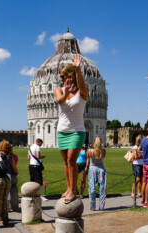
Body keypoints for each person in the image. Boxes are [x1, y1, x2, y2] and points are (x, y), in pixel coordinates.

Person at [55, 54, 89, 203]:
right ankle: (68, 188)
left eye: (63, 76)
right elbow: (59, 101)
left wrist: (78, 70)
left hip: (77, 130)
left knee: (71, 159)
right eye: (61, 77)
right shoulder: (59, 90)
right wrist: (66, 92)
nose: (61, 79)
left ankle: (73, 190)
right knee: (65, 161)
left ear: (70, 76)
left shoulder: (83, 91)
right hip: (62, 130)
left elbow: (81, 87)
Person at [0, 140, 18, 211]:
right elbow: (13, 166)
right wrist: (16, 172)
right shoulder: (10, 155)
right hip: (7, 174)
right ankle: (7, 207)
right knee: (7, 191)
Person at [86, 137, 107, 211]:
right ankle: (101, 206)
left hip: (92, 170)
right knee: (102, 189)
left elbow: (88, 159)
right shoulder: (103, 151)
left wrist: (86, 167)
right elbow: (102, 157)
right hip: (101, 169)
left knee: (92, 189)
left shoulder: (89, 151)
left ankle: (92, 206)